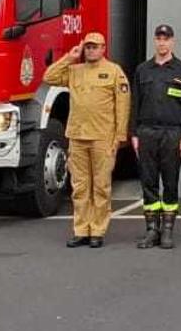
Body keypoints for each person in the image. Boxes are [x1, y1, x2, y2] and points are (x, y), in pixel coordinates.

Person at [41, 32, 130, 248]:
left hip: (102, 137)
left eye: (94, 47)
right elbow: (48, 77)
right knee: (80, 186)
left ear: (103, 49)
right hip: (78, 137)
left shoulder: (113, 72)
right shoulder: (74, 71)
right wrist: (70, 57)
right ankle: (81, 230)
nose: (90, 50)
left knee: (100, 186)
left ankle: (97, 230)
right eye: (87, 47)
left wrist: (119, 137)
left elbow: (123, 105)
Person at [130, 24, 181, 249]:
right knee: (148, 182)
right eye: (158, 38)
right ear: (155, 41)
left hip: (172, 132)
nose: (162, 42)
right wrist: (134, 133)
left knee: (170, 181)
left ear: (172, 42)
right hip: (147, 132)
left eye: (166, 39)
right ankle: (151, 230)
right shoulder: (142, 70)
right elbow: (135, 103)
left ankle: (167, 230)